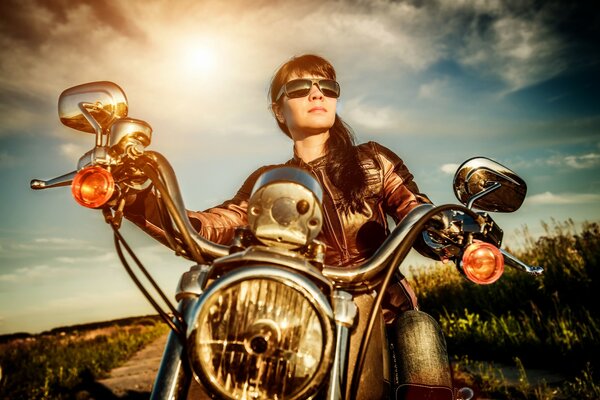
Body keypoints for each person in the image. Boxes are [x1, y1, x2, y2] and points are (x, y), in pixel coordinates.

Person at [127, 54, 454, 400]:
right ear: (279, 111)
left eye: (327, 86)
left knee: (420, 331)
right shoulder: (268, 182)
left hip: (382, 310)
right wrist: (135, 200)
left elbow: (414, 208)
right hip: (298, 319)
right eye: (300, 87)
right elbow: (213, 225)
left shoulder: (373, 160)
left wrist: (446, 232)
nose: (317, 94)